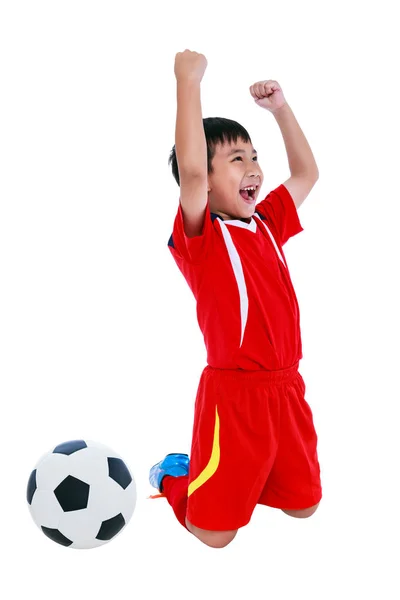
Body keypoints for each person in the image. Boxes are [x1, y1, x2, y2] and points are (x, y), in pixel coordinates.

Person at [149, 49, 322, 549]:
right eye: (235, 158)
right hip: (236, 400)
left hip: (287, 388)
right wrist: (188, 81)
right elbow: (195, 173)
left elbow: (307, 174)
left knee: (304, 507)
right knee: (214, 536)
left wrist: (281, 110)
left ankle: (251, 474)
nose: (252, 167)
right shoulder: (202, 238)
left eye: (253, 157)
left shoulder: (266, 224)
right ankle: (177, 473)